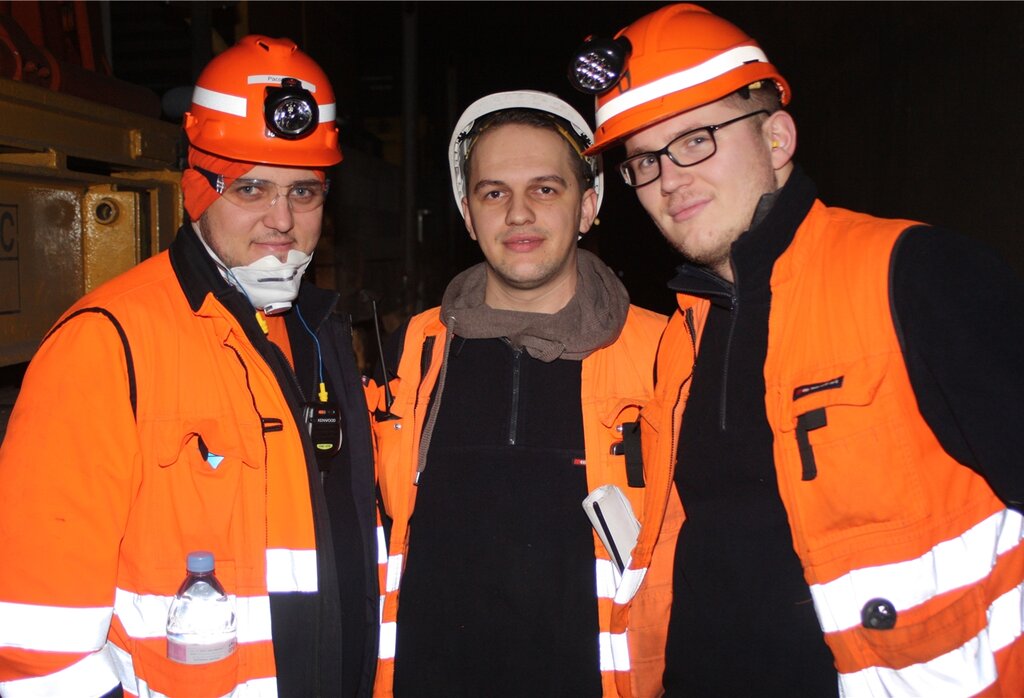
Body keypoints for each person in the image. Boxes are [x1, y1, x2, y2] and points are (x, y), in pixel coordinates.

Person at [568, 4, 1024, 696]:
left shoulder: (916, 275)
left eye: (695, 140)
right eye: (644, 160)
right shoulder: (683, 339)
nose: (669, 179)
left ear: (777, 137)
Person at [0, 35, 378, 697]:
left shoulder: (321, 335)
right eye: (252, 187)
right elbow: (35, 649)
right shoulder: (106, 345)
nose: (282, 221)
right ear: (196, 188)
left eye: (305, 192)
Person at [367, 90, 667, 697]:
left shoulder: (666, 355)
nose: (519, 214)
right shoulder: (412, 354)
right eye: (494, 192)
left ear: (588, 208)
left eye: (546, 188)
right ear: (467, 212)